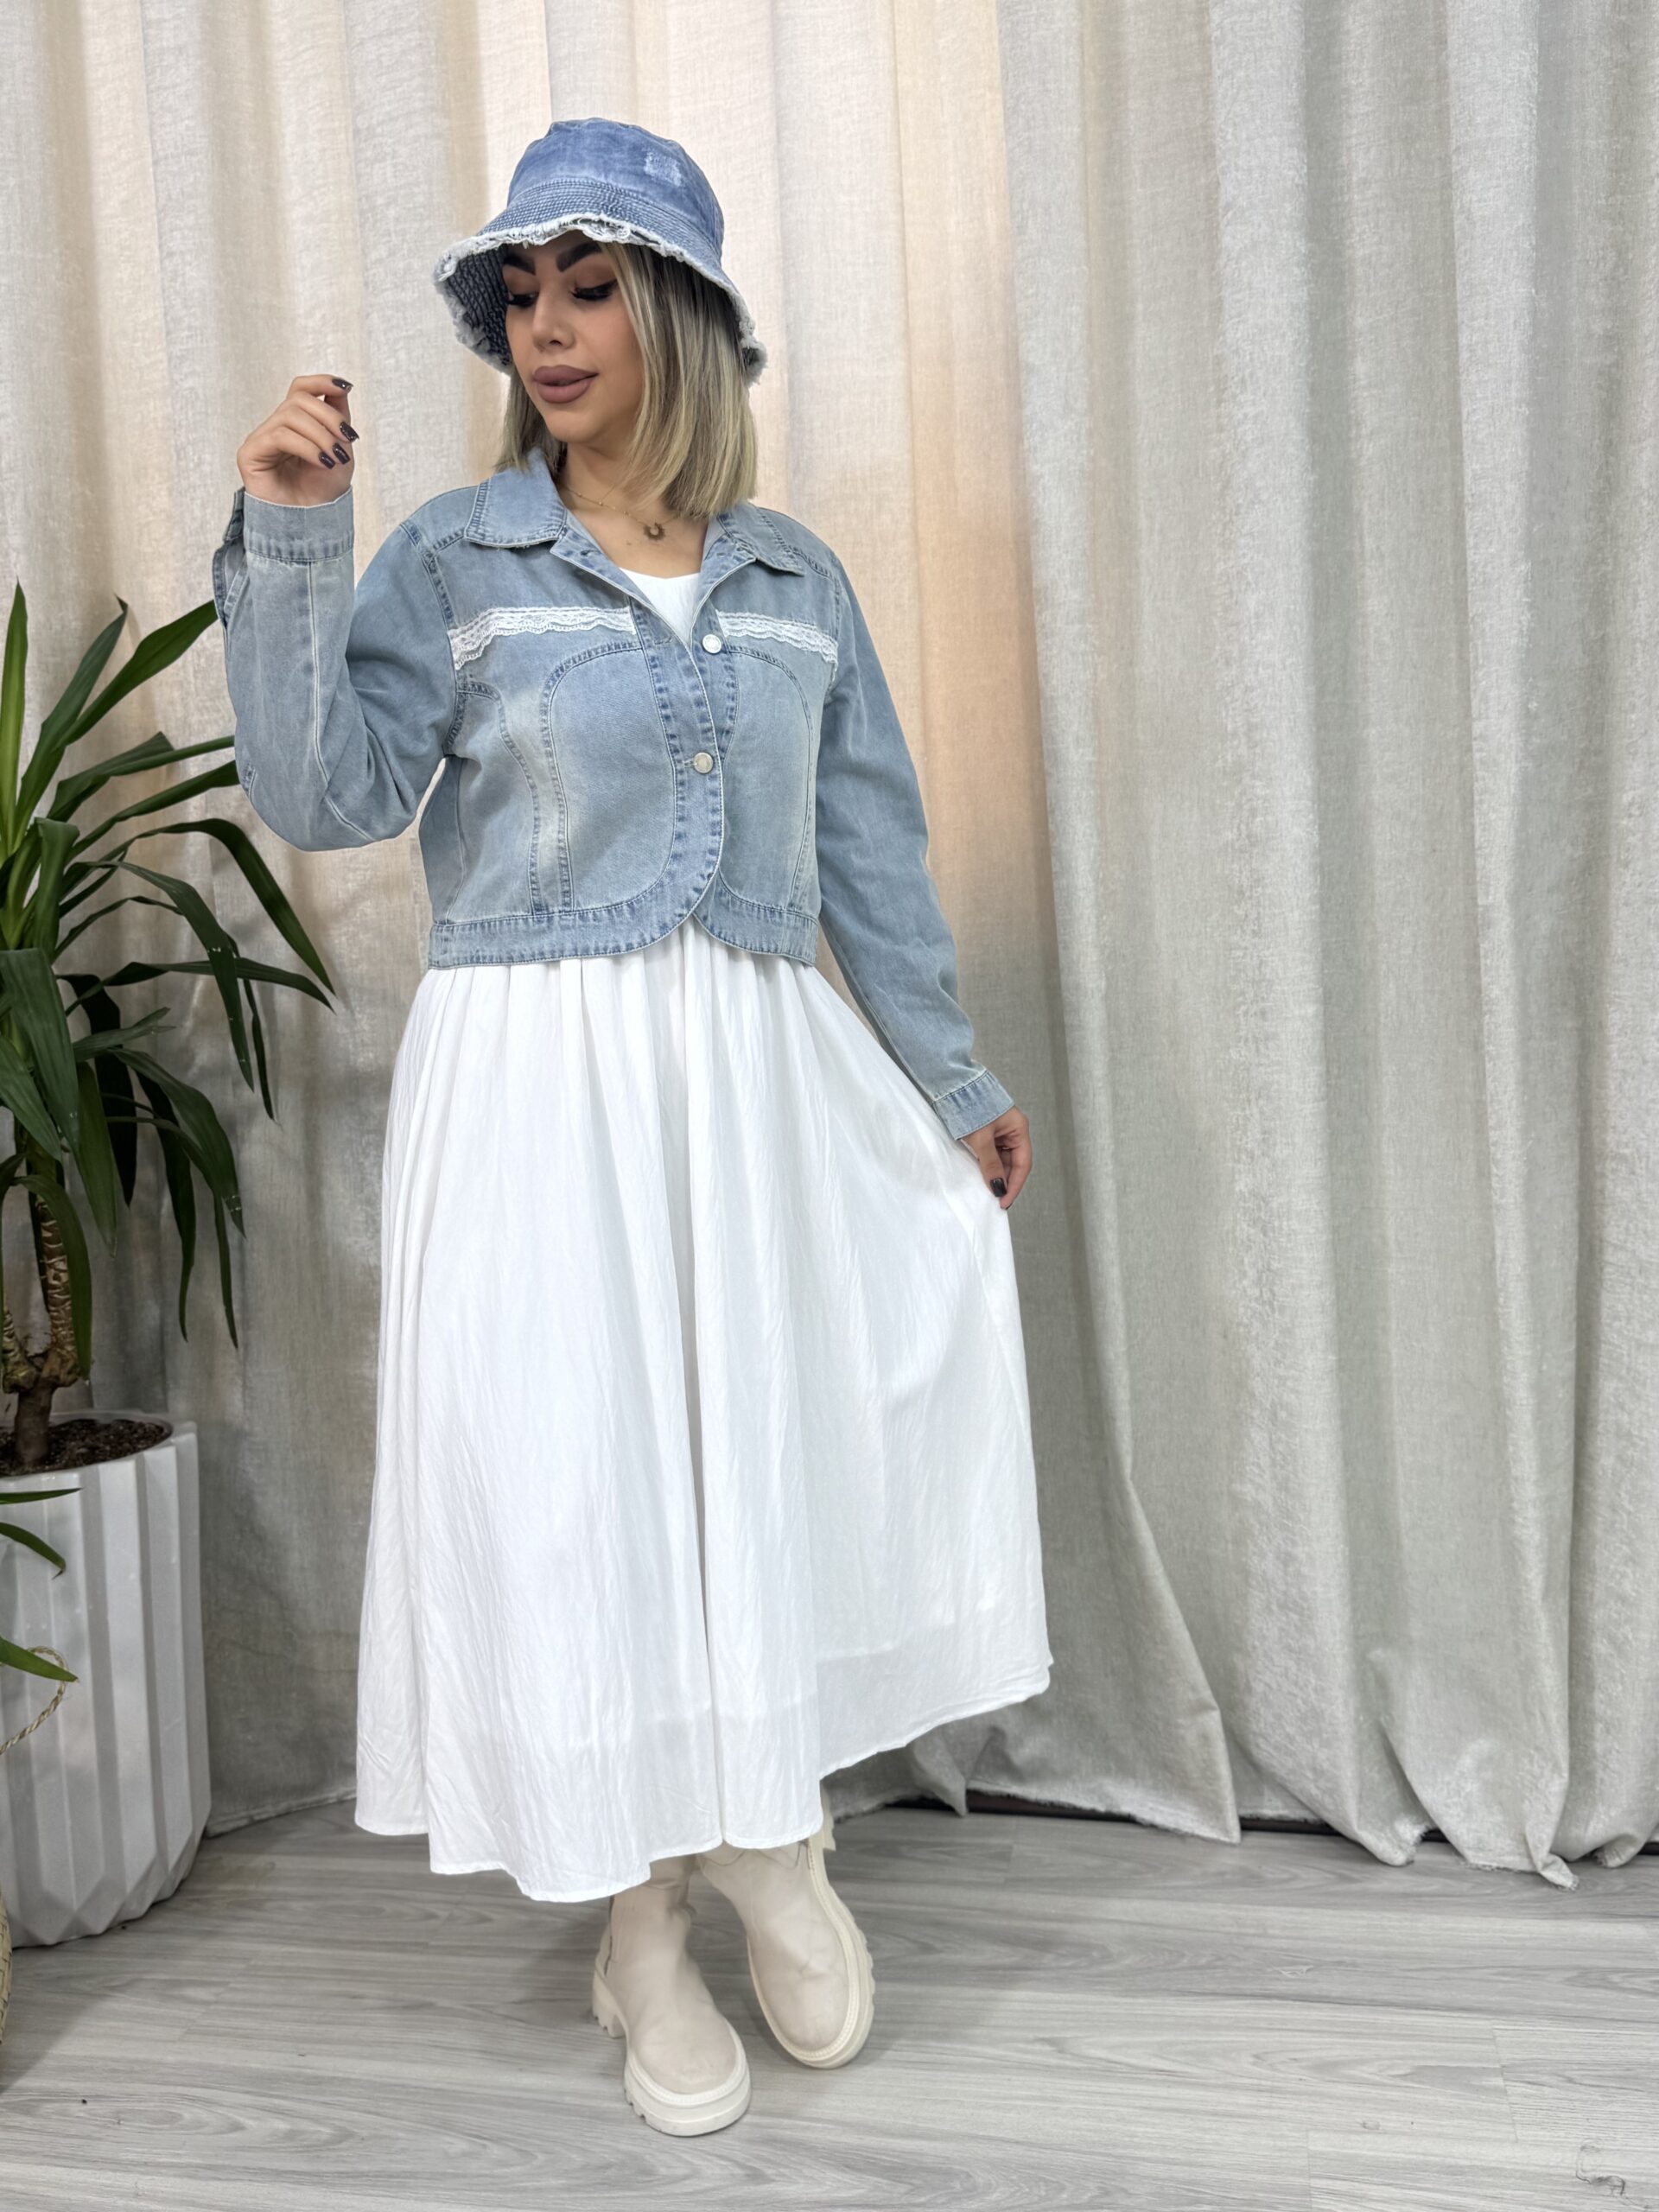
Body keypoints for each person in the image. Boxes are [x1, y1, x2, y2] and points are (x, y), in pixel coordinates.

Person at [211, 116, 1052, 2137]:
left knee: (743, 1463)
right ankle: (648, 1915)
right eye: (523, 294)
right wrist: (295, 538)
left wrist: (953, 1079)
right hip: (539, 1086)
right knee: (587, 1486)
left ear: (680, 312)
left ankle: (763, 1827)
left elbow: (870, 851)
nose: (551, 329)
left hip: (750, 1083)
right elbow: (326, 792)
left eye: (590, 286)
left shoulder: (794, 578)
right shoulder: (456, 557)